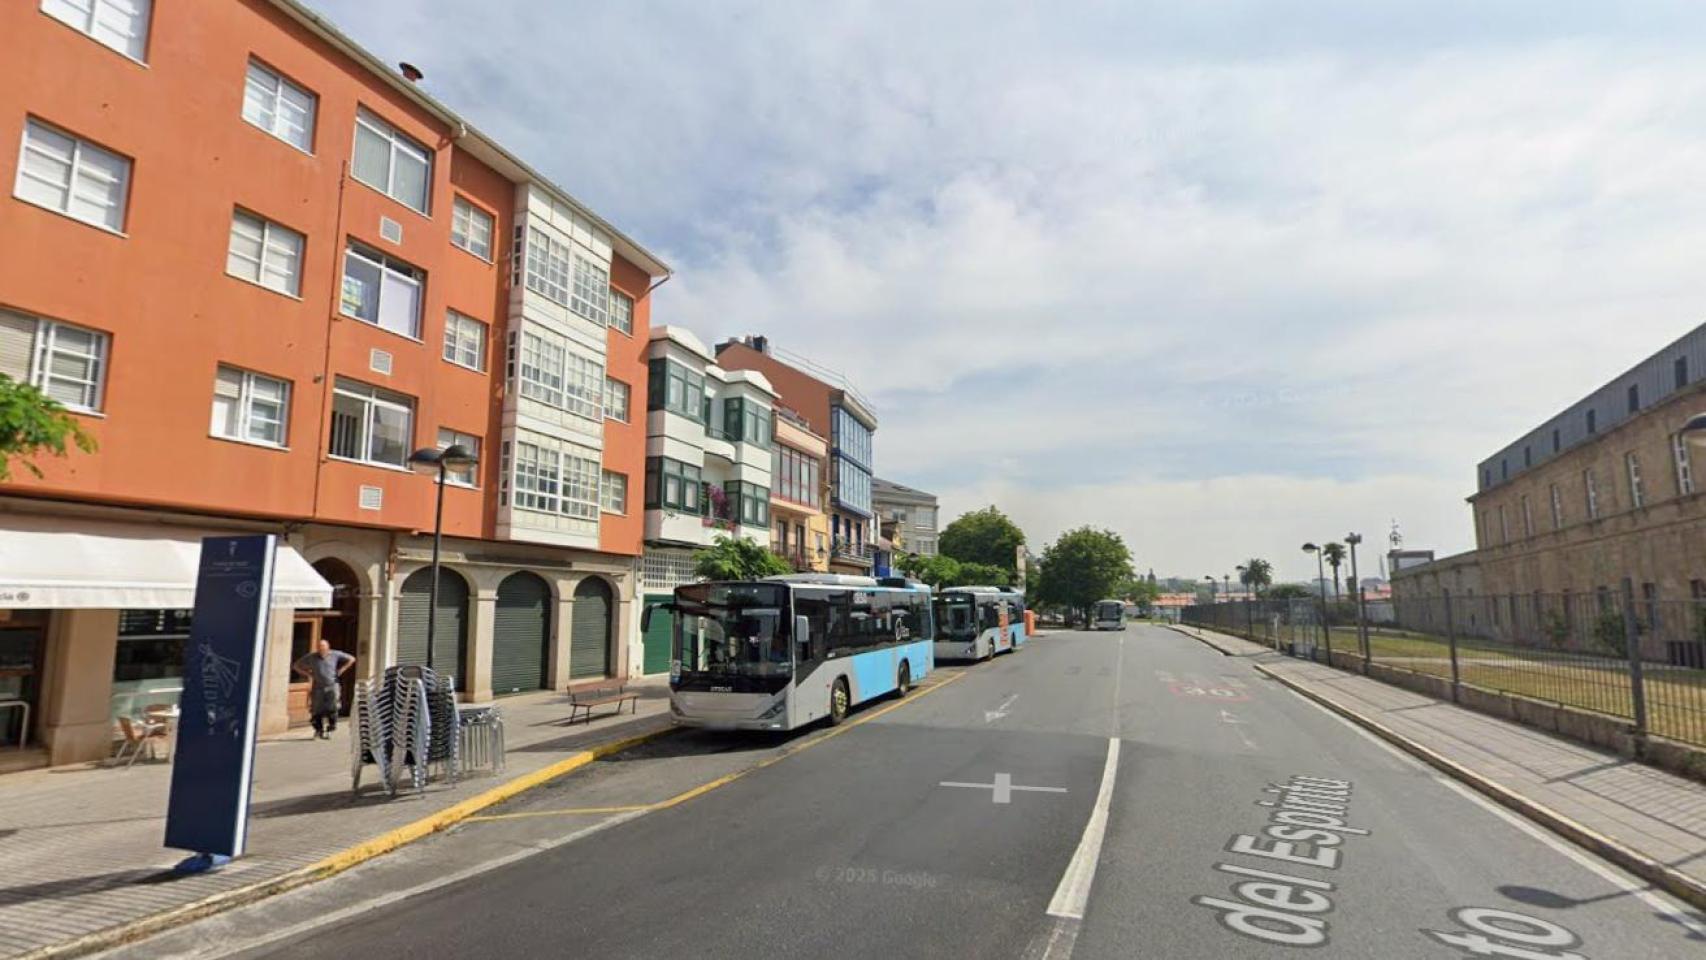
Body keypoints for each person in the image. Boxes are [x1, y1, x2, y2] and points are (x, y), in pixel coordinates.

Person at [292, 639, 355, 740]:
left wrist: (342, 669)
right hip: (318, 687)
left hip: (332, 685)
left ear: (328, 647)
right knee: (317, 709)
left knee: (333, 706)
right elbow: (296, 666)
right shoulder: (312, 657)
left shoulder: (335, 654)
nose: (321, 650)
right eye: (319, 648)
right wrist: (308, 674)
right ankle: (318, 730)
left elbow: (351, 659)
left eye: (323, 647)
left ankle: (330, 728)